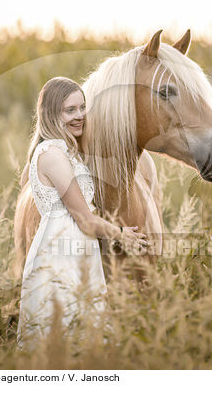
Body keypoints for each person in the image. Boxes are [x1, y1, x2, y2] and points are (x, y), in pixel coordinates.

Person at [16, 77, 149, 348]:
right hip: (61, 253)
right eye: (70, 110)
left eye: (82, 108)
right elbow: (85, 219)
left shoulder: (67, 150)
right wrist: (122, 234)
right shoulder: (52, 154)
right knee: (64, 335)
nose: (79, 116)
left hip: (76, 248)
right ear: (51, 114)